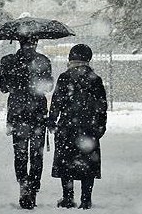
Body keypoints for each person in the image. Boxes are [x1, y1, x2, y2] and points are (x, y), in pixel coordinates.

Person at [47, 44, 107, 210]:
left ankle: (68, 197)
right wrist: (101, 127)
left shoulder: (65, 77)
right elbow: (102, 106)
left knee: (66, 164)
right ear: (88, 59)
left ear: (71, 59)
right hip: (89, 127)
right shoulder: (95, 79)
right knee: (88, 164)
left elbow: (56, 102)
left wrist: (52, 121)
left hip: (67, 127)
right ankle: (86, 199)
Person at [0, 36, 53, 209]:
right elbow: (48, 87)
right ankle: (33, 188)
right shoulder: (43, 60)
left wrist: (17, 82)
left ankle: (24, 185)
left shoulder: (8, 61)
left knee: (20, 153)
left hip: (17, 112)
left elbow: (3, 87)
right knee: (36, 154)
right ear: (36, 43)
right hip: (37, 112)